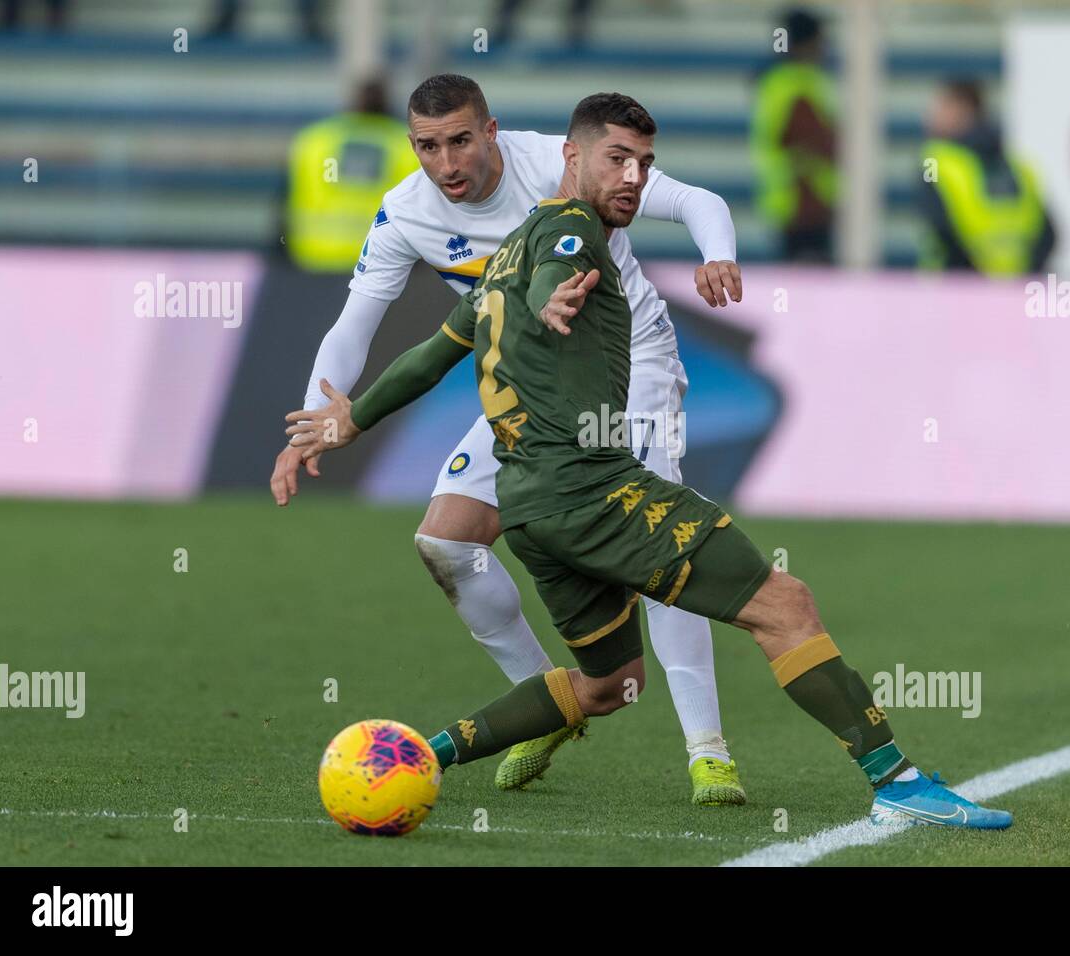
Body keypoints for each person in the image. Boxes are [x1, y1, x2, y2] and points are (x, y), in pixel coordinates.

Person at [285, 93, 1014, 831]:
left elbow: (427, 356)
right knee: (784, 604)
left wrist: (348, 420)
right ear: (569, 160)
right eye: (618, 162)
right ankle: (896, 779)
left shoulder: (502, 250)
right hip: (591, 487)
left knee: (609, 683)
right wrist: (550, 302)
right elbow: (555, 269)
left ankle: (419, 756)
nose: (633, 179)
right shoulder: (568, 228)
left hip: (530, 503)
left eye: (644, 165)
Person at [271, 74, 750, 806]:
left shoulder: (553, 163)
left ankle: (708, 750)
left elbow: (693, 200)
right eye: (429, 147)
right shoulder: (404, 212)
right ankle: (547, 705)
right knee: (445, 542)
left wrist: (716, 252)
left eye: (461, 140)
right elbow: (354, 325)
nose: (448, 163)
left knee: (659, 548)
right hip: (528, 380)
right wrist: (311, 423)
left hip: (631, 365)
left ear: (491, 133)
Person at [916, 78, 1056, 275]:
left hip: (953, 289)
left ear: (963, 110)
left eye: (941, 107)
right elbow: (1049, 236)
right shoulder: (1019, 167)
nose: (930, 116)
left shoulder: (933, 161)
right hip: (1015, 289)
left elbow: (937, 223)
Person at [284, 78, 419, 273]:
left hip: (315, 256)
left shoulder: (314, 140)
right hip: (383, 262)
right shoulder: (409, 146)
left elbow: (285, 203)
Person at [750, 7, 838, 263]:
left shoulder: (775, 82)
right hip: (806, 203)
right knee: (810, 283)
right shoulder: (799, 85)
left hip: (787, 201)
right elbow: (816, 143)